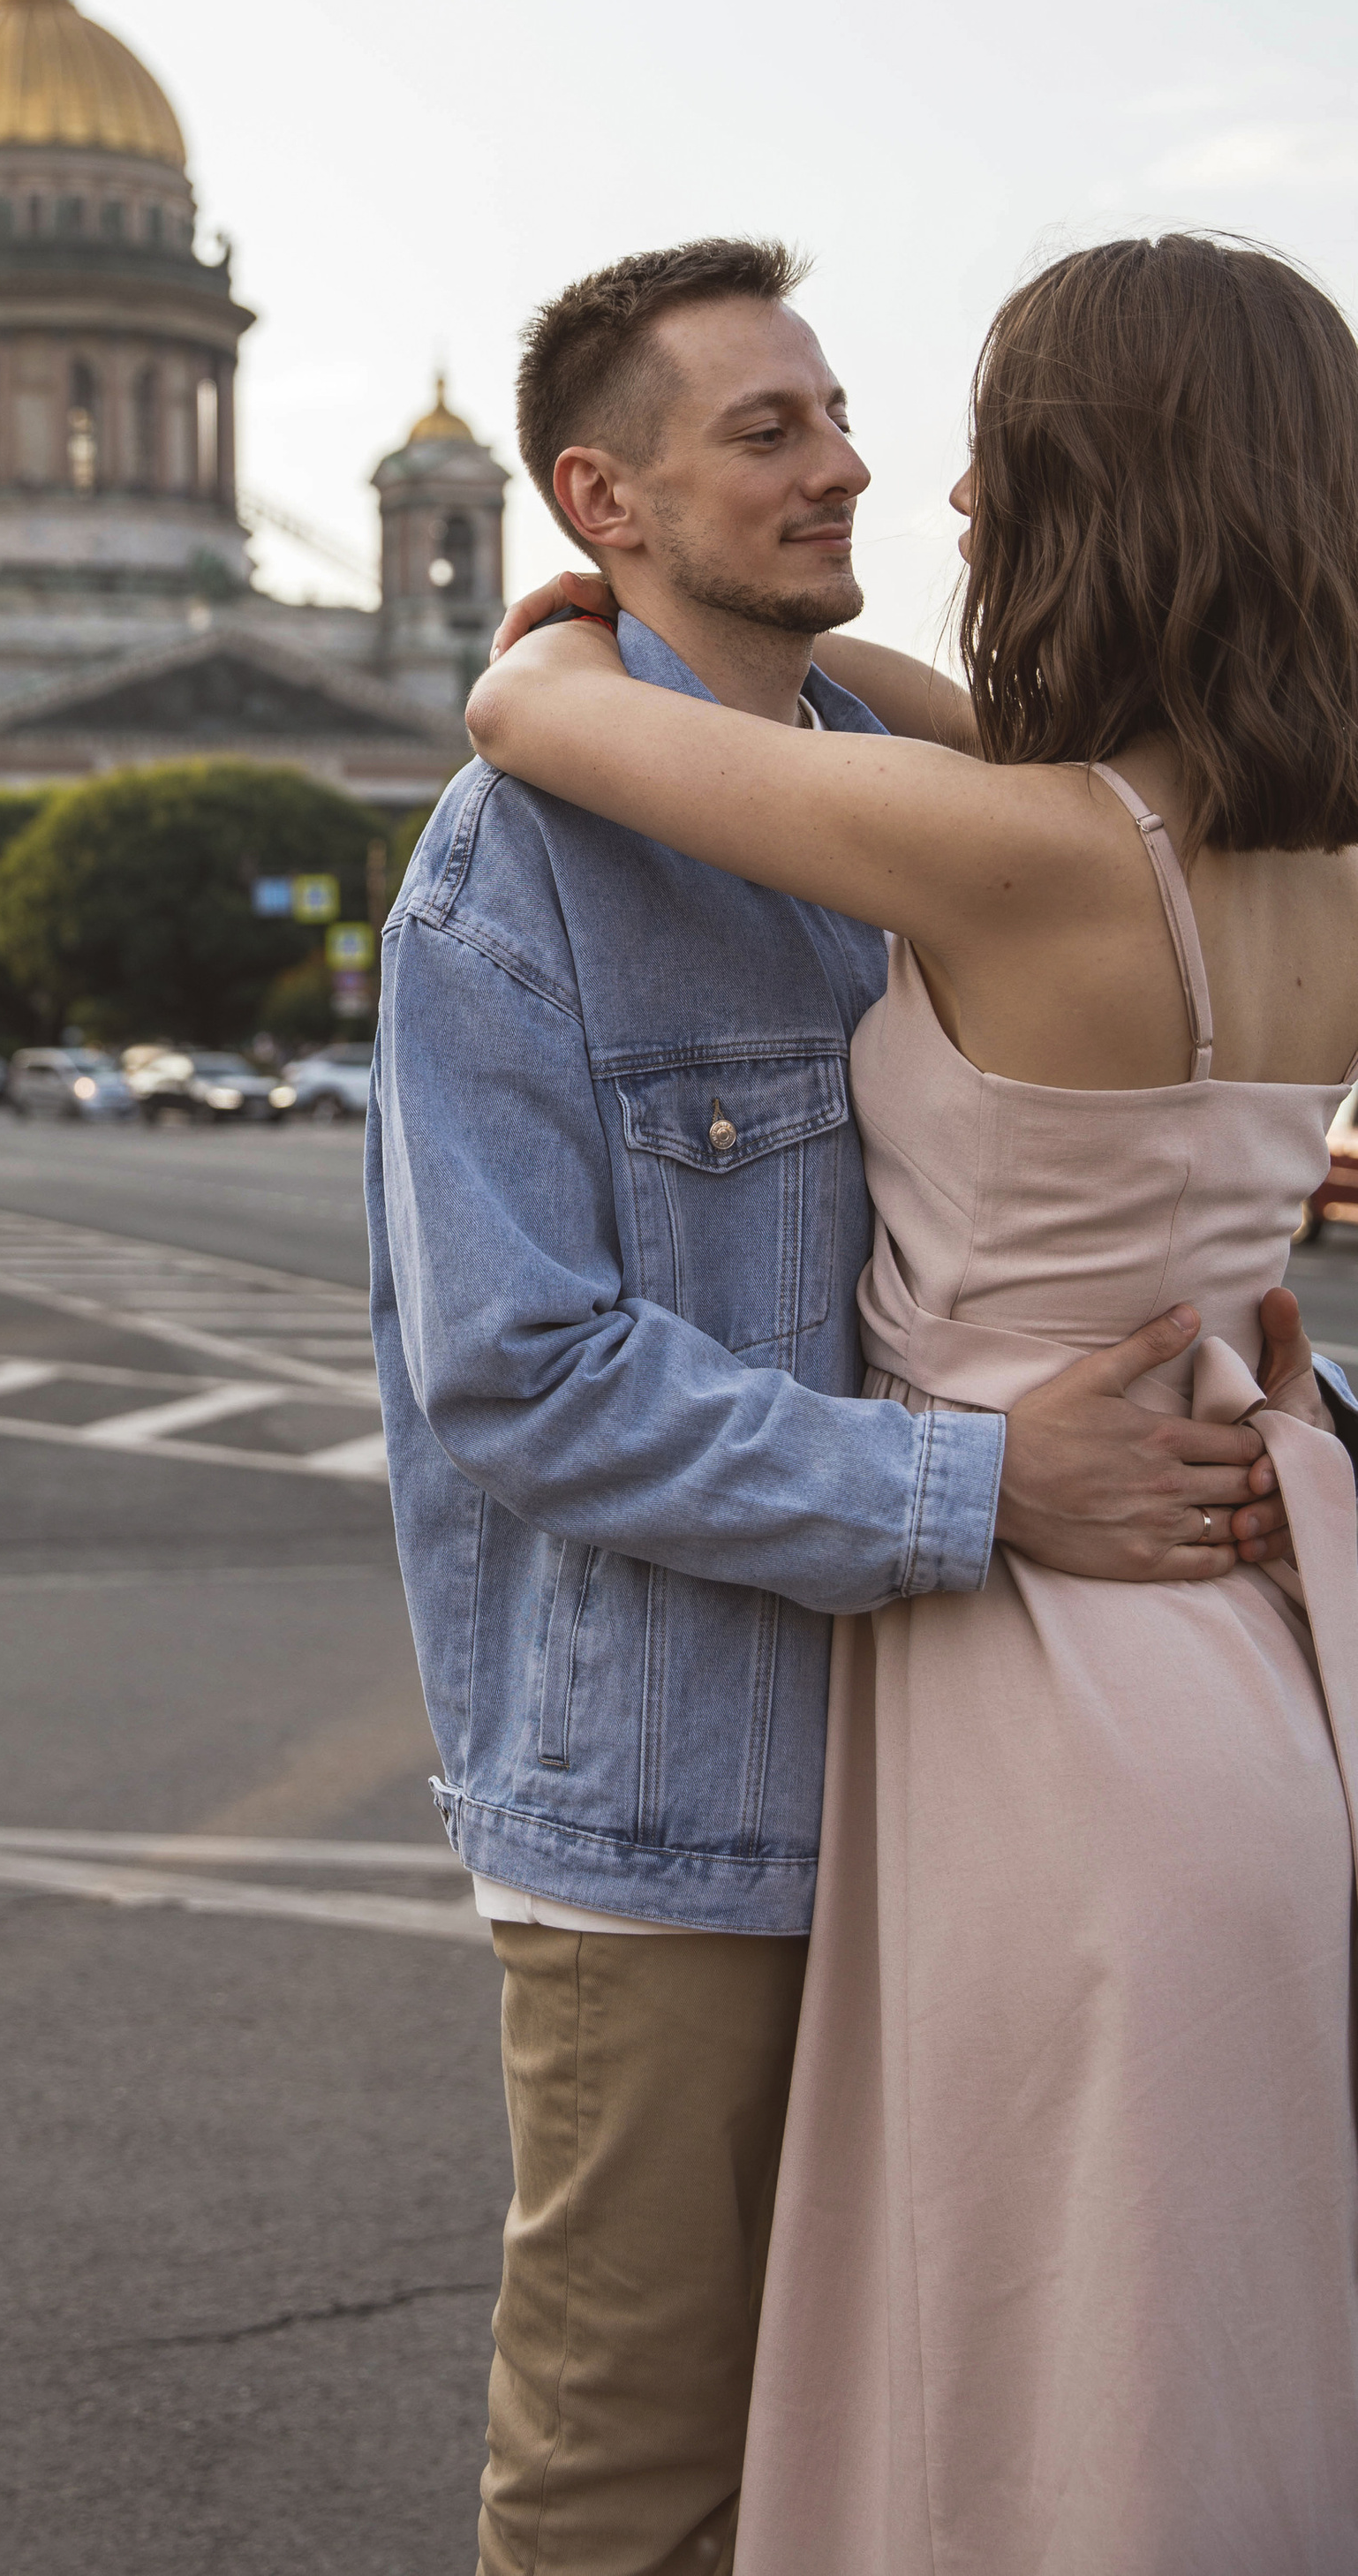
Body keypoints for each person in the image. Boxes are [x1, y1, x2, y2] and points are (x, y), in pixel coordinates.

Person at [368, 236, 1339, 2576]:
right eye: (775, 430)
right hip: (792, 1776)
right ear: (613, 490)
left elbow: (552, 711)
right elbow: (521, 1371)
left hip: (1022, 1738)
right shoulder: (1113, 828)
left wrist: (567, 641)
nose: (891, 475)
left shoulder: (964, 837)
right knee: (756, 2453)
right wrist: (1041, 1439)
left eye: (915, 439)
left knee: (997, 2422)